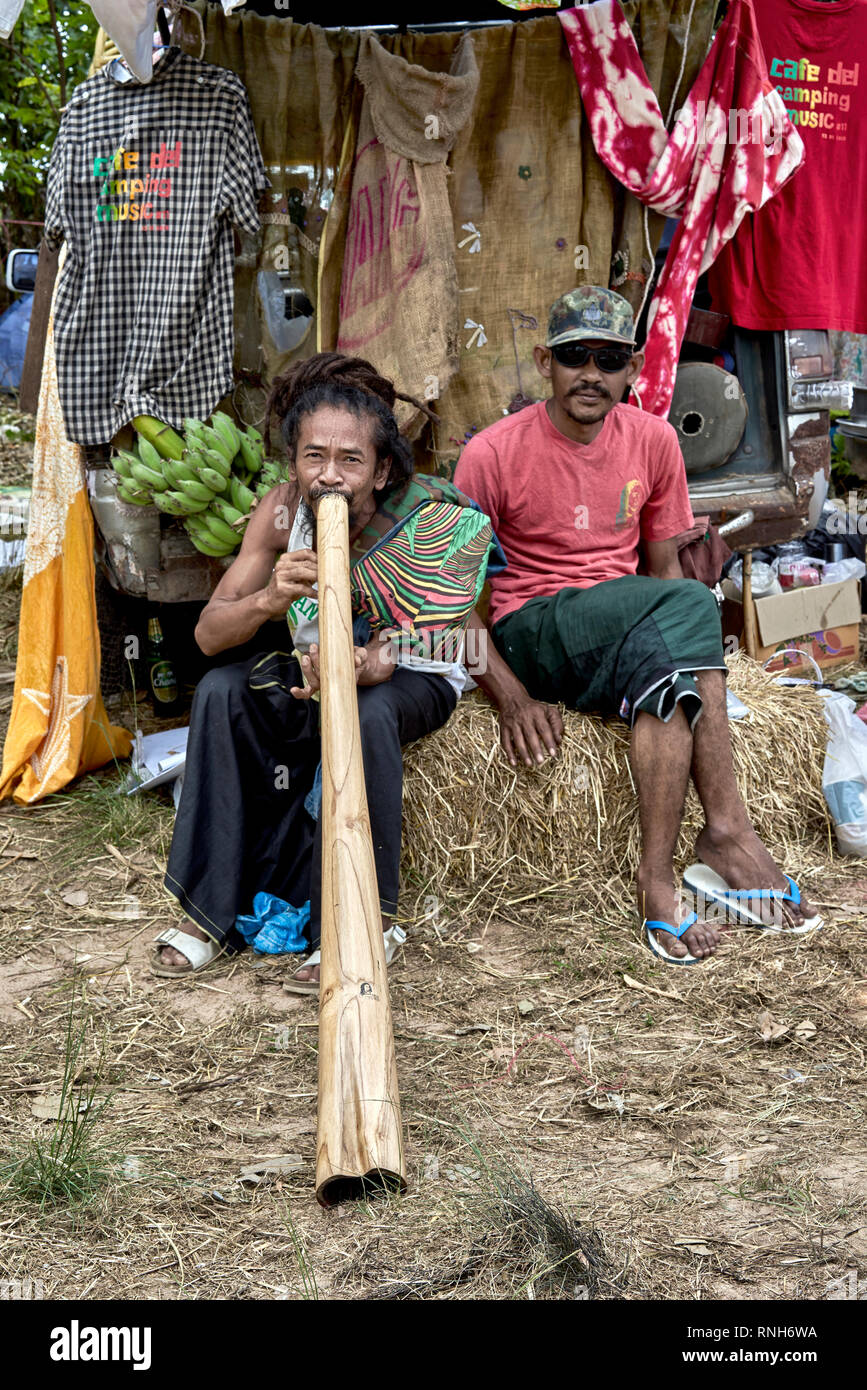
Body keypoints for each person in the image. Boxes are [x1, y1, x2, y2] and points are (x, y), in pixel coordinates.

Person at [455, 286, 822, 965]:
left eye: (609, 359)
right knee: (692, 605)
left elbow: (660, 571)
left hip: (623, 625)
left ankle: (659, 886)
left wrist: (705, 677)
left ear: (633, 368)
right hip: (532, 630)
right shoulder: (491, 453)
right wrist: (511, 699)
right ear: (545, 362)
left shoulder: (653, 440)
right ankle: (727, 831)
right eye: (574, 356)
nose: (590, 373)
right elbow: (455, 603)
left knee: (671, 687)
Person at [151, 353, 495, 989]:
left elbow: (450, 628)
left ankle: (367, 920)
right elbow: (207, 635)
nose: (330, 475)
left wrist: (375, 658)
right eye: (314, 457)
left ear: (381, 468)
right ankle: (208, 911)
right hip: (319, 662)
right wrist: (269, 599)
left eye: (350, 460)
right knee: (224, 690)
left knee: (366, 710)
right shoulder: (282, 512)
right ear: (294, 462)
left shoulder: (430, 512)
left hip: (414, 670)